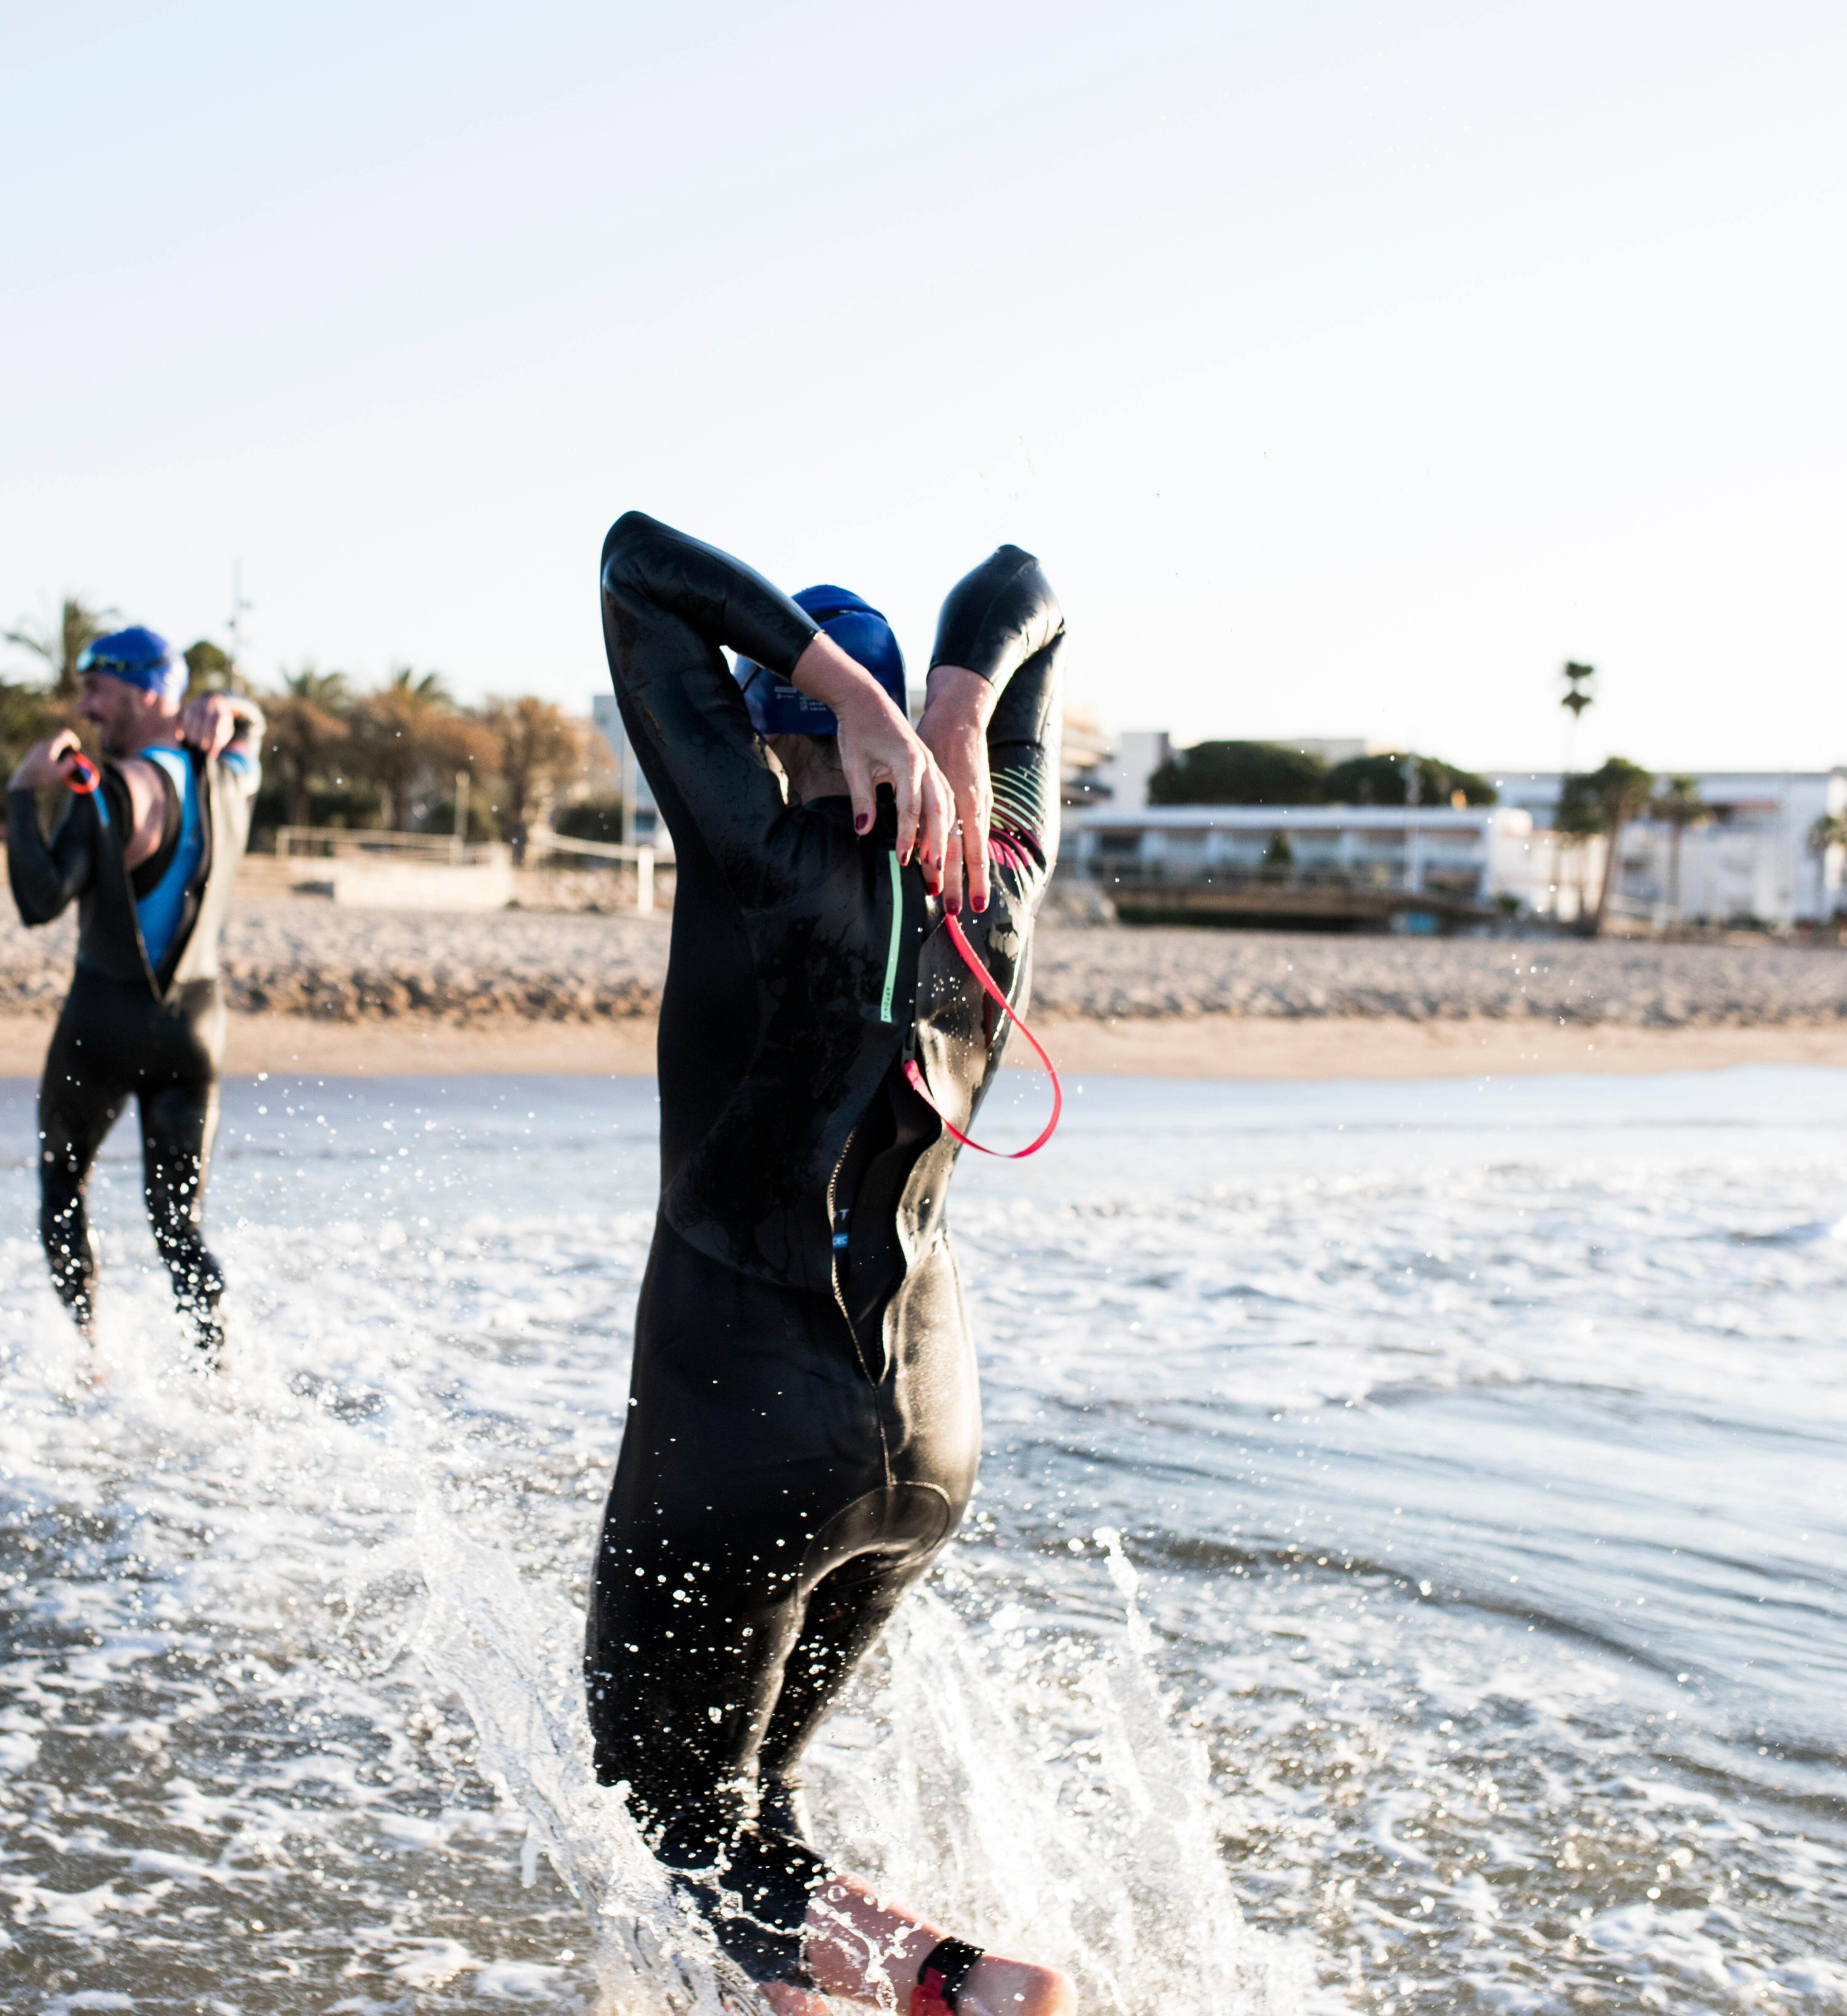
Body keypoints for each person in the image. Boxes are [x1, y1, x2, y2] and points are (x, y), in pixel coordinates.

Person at [583, 512, 1075, 2015]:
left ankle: (967, 1989)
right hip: (925, 1434)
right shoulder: (998, 867)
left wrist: (853, 700)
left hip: (745, 1426)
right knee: (754, 1817)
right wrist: (958, 700)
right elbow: (1019, 586)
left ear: (765, 735)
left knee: (660, 1808)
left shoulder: (753, 854)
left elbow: (631, 562)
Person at [4, 627, 263, 1363]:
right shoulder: (234, 774)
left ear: (150, 692)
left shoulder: (112, 790)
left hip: (105, 1022)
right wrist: (230, 706)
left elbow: (40, 897)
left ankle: (92, 1360)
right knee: (179, 1227)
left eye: (98, 689)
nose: (84, 707)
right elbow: (255, 728)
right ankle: (219, 1374)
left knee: (62, 1190)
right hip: (198, 1031)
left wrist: (23, 793)